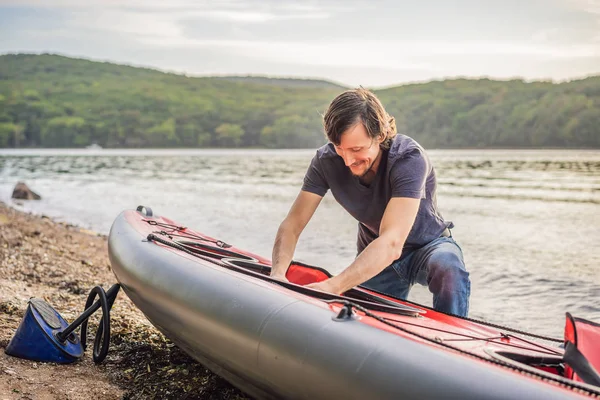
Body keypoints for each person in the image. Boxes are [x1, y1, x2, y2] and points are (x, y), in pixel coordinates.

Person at [270, 88, 470, 317]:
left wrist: (332, 286)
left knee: (448, 265)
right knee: (361, 322)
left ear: (380, 136)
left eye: (357, 149)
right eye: (339, 148)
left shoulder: (409, 158)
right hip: (375, 256)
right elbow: (292, 225)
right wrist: (278, 273)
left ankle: (455, 336)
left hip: (427, 246)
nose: (347, 160)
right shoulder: (325, 161)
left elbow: (392, 242)